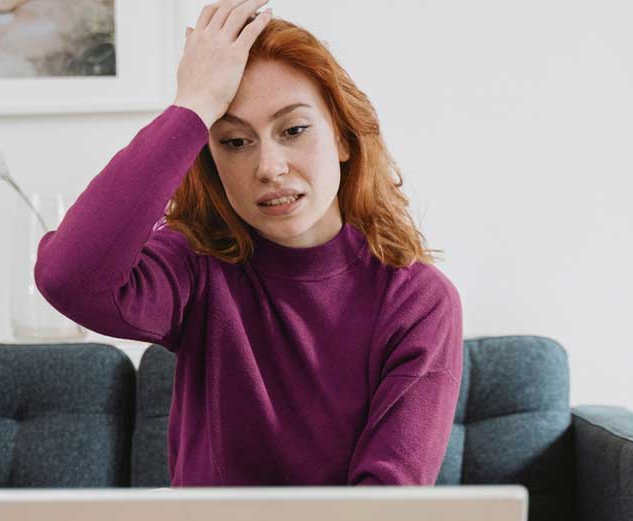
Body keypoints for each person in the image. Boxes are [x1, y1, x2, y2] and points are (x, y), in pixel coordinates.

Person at [34, 0, 463, 486]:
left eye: (294, 130)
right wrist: (191, 109)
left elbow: (386, 504)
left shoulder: (417, 301)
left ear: (343, 138)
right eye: (235, 142)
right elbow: (68, 278)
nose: (269, 167)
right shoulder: (196, 265)